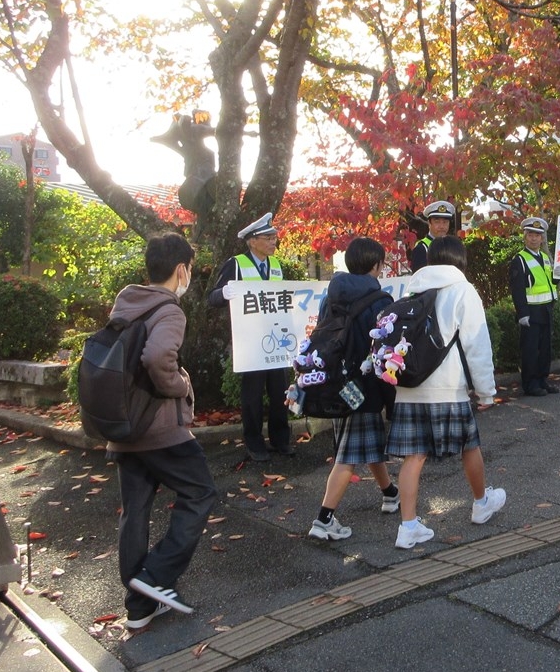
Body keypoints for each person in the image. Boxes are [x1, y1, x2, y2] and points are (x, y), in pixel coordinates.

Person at [110, 233, 218, 628]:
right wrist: (180, 386)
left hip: (124, 425)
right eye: (189, 268)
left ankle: (139, 607)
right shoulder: (169, 311)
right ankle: (154, 576)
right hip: (159, 428)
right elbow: (157, 358)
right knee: (201, 492)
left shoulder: (127, 304)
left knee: (135, 509)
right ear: (181, 270)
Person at [386, 236, 504, 549]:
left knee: (414, 456)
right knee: (469, 446)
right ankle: (481, 504)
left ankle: (408, 526)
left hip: (410, 386)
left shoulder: (413, 289)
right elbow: (477, 344)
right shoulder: (463, 289)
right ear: (459, 259)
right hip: (447, 387)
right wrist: (486, 392)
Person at [307, 238, 400, 541]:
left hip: (336, 382)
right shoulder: (380, 301)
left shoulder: (330, 296)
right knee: (348, 454)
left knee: (363, 440)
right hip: (364, 384)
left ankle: (390, 493)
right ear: (376, 265)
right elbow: (385, 351)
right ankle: (324, 518)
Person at [208, 213, 293, 463]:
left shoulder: (276, 265)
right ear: (252, 241)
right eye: (268, 238)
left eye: (274, 237)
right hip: (250, 342)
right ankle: (255, 444)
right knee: (252, 395)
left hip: (276, 338)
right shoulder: (236, 264)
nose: (273, 242)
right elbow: (212, 298)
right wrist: (224, 292)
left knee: (280, 392)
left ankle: (281, 440)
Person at [508, 216, 559, 397]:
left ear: (543, 238)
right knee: (530, 350)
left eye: (537, 235)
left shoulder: (545, 257)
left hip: (546, 310)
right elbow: (517, 289)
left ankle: (542, 380)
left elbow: (549, 281)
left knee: (545, 349)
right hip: (531, 312)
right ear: (525, 236)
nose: (534, 238)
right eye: (530, 234)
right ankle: (530, 384)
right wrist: (522, 314)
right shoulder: (519, 260)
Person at [409, 200, 455, 272]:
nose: (442, 226)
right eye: (437, 222)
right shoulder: (421, 248)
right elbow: (419, 278)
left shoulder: (453, 246)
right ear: (429, 223)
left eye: (445, 222)